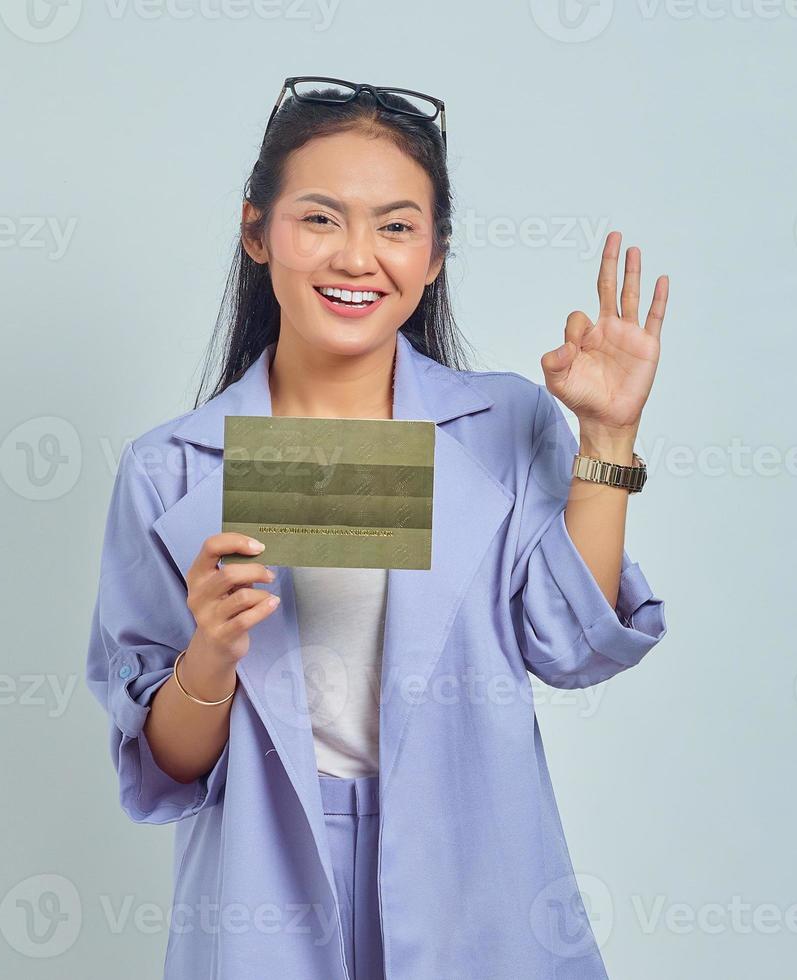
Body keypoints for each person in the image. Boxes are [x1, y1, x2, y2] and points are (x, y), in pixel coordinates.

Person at [86, 76, 671, 980]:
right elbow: (166, 768)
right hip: (262, 878)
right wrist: (209, 652)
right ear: (258, 234)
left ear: (434, 255)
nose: (359, 256)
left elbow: (570, 646)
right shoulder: (171, 467)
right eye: (321, 219)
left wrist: (607, 438)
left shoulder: (505, 425)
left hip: (472, 868)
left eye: (396, 226)